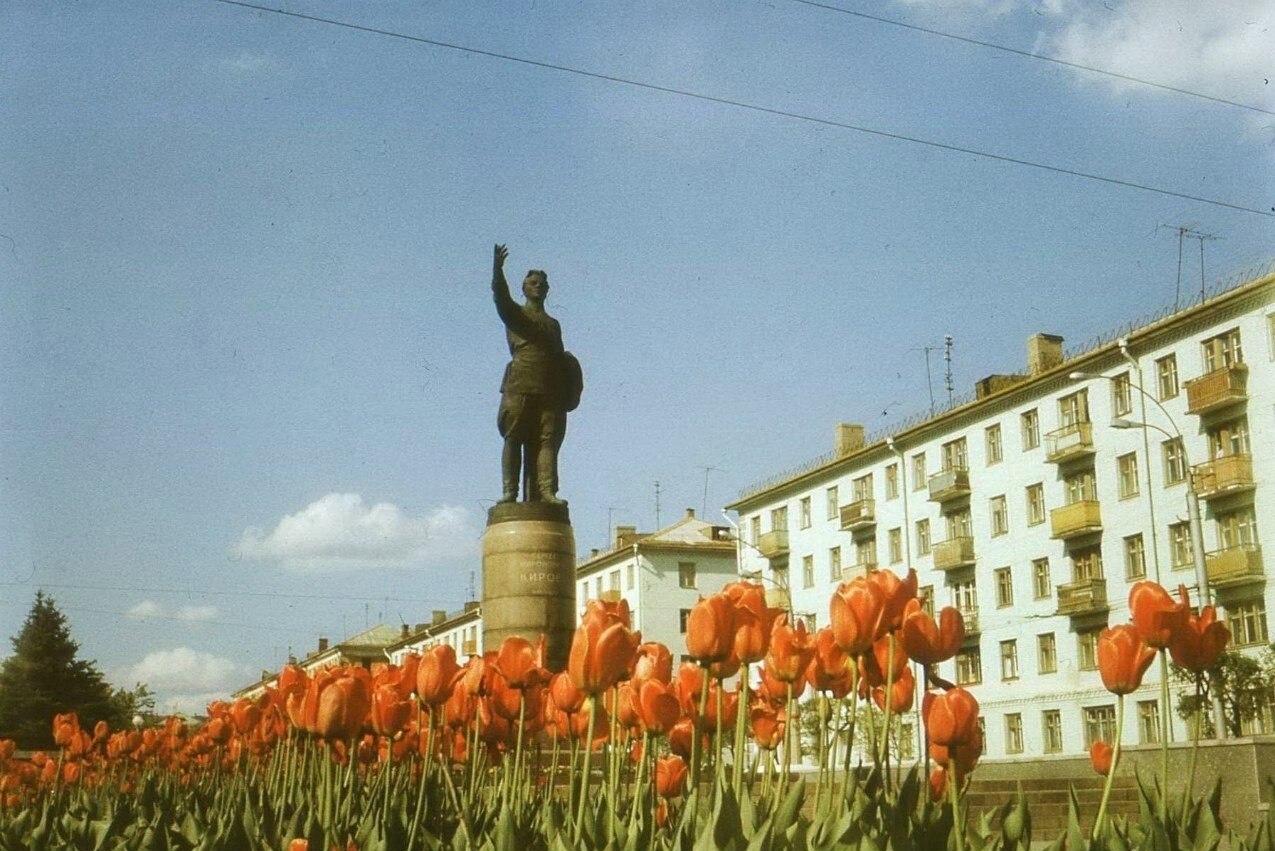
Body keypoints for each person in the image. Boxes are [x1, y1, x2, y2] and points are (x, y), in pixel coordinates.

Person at [490, 243, 579, 504]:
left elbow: (560, 359)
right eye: (532, 282)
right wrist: (498, 270)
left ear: (548, 289)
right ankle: (510, 492)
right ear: (524, 289)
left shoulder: (553, 324)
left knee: (547, 441)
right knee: (513, 437)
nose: (537, 285)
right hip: (520, 385)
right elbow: (500, 297)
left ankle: (547, 491)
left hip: (550, 391)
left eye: (541, 283)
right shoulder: (517, 315)